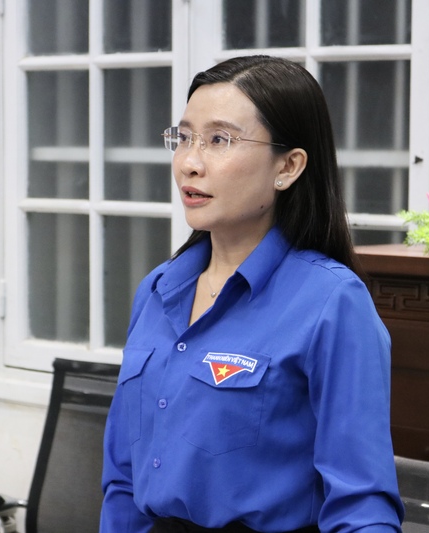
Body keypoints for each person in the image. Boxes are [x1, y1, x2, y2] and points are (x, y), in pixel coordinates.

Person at [100, 55, 404, 533]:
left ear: (288, 166)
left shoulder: (332, 302)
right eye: (184, 138)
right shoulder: (158, 289)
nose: (190, 163)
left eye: (219, 140)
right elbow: (123, 480)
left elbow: (362, 506)